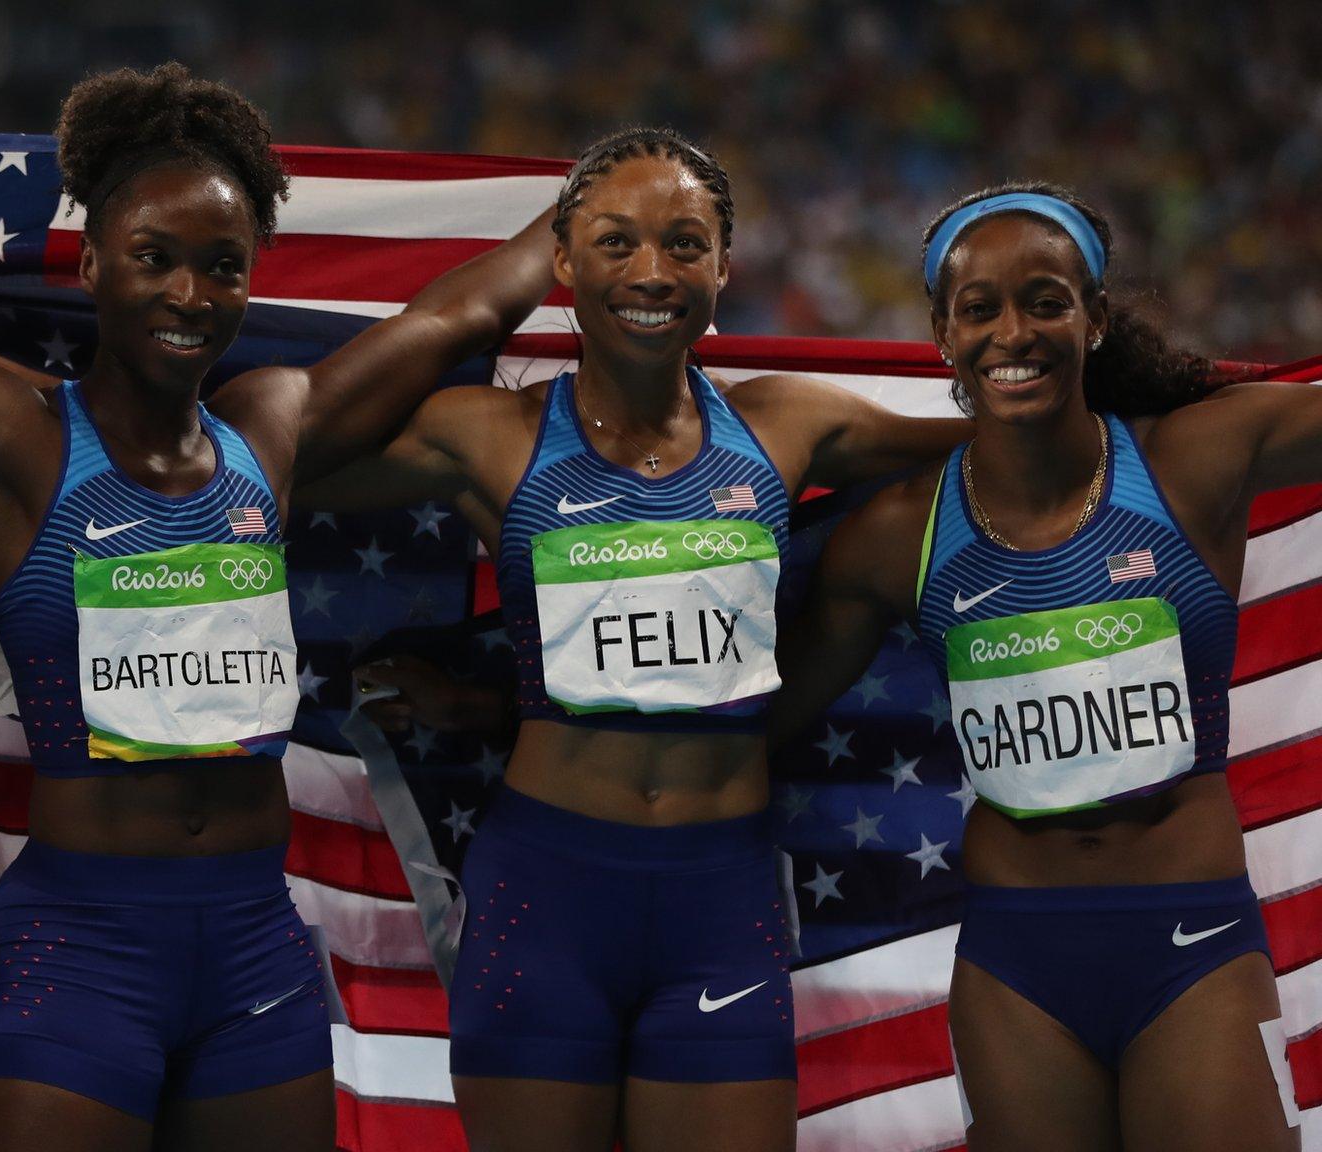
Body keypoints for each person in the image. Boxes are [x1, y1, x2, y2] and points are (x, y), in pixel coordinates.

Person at [0, 63, 559, 1151]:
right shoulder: (9, 440)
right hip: (81, 954)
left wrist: (593, 203)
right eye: (153, 258)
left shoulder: (270, 429)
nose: (188, 295)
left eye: (221, 268)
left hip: (253, 955)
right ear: (94, 259)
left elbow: (459, 314)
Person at [298, 126, 970, 1152]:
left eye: (682, 242)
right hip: (544, 897)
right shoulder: (493, 434)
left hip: (719, 900)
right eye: (612, 243)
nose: (651, 272)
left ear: (722, 266)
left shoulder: (787, 425)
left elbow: (1015, 436)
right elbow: (282, 456)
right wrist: (491, 292)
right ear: (562, 262)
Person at [771, 182, 1306, 1151]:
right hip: (1016, 967)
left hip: (1189, 939)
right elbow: (754, 711)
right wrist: (503, 715)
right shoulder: (895, 540)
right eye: (978, 309)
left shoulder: (1193, 460)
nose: (1010, 332)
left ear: (1093, 319)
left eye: (1044, 302)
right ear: (941, 333)